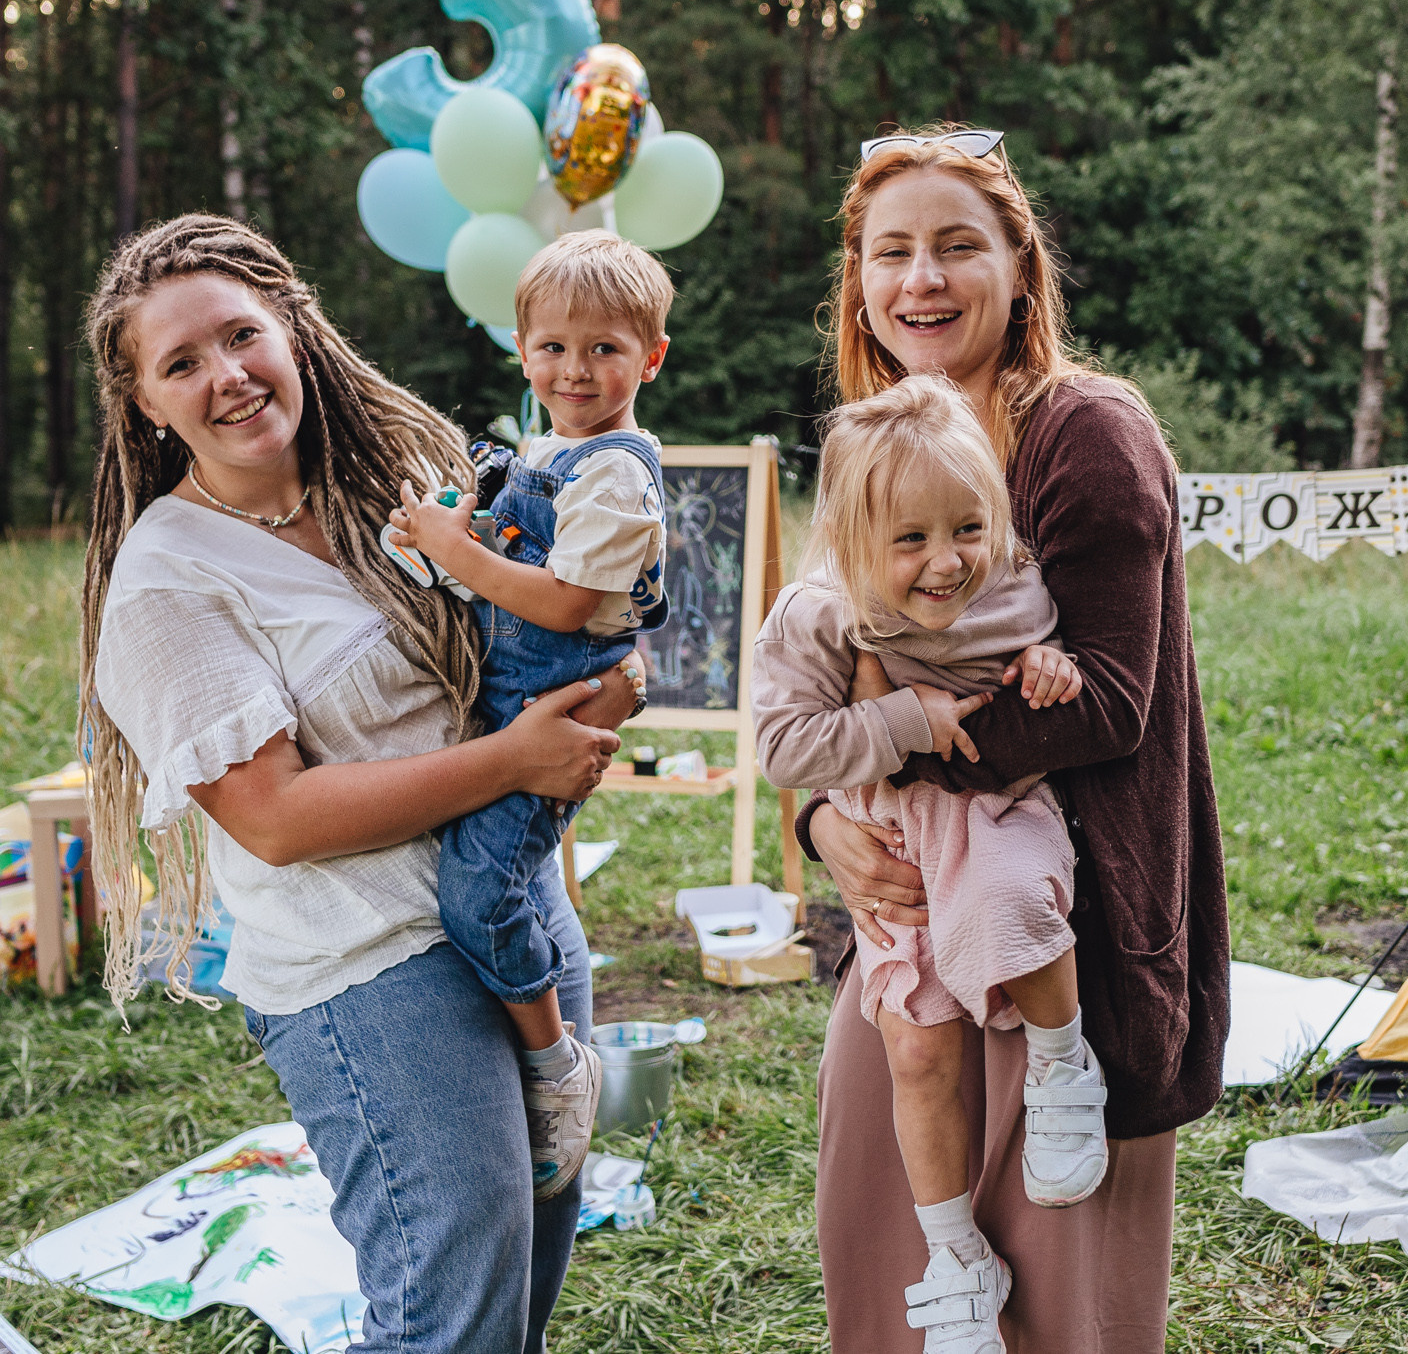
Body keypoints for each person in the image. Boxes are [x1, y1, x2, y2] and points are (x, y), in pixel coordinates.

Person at [80, 214, 635, 1353]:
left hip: (515, 900)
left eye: (242, 335)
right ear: (144, 401)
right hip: (369, 968)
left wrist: (600, 666)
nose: (226, 376)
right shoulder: (165, 580)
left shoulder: (402, 479)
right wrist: (516, 759)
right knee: (454, 1312)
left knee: (529, 1265)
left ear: (292, 324)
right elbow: (275, 819)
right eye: (181, 363)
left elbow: (533, 630)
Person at [799, 126, 1231, 1354]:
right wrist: (823, 817)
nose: (919, 280)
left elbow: (1103, 702)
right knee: (892, 1250)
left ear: (1020, 266)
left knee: (1056, 1299)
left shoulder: (1084, 432)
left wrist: (874, 751)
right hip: (909, 914)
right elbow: (833, 667)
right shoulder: (881, 446)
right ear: (860, 282)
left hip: (1069, 935)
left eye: (954, 247)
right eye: (891, 253)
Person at [756, 376, 1095, 1354]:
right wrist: (903, 719)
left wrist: (1051, 666)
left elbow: (1056, 649)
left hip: (991, 811)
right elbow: (783, 748)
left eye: (967, 528)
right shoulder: (819, 613)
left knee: (1011, 905)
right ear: (855, 537)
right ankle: (955, 1256)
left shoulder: (1010, 583)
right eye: (910, 540)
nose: (947, 561)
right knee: (915, 1043)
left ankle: (1064, 1067)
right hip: (891, 833)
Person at [383, 229, 676, 1199]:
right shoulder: (549, 451)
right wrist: (439, 536)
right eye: (552, 347)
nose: (575, 369)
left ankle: (556, 1061)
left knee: (481, 890)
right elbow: (497, 556)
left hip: (548, 699)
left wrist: (455, 553)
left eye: (603, 348)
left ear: (651, 356)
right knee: (468, 865)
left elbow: (553, 601)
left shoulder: (620, 474)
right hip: (498, 695)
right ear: (522, 351)